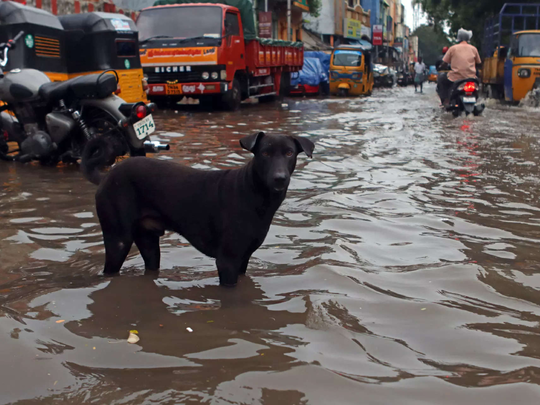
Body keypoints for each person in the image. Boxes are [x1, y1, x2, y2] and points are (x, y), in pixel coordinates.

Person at [437, 29, 482, 106]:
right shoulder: (474, 49)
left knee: (441, 78)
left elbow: (444, 63)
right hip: (471, 78)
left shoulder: (453, 48)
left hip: (455, 78)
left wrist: (441, 66)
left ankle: (445, 101)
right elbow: (479, 63)